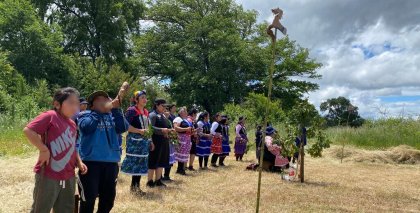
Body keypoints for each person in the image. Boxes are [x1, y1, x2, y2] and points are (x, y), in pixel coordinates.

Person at [23, 87, 88, 213]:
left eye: (77, 103)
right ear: (57, 104)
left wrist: (78, 162)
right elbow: (28, 130)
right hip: (48, 174)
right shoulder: (51, 116)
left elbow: (72, 145)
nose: (75, 107)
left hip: (68, 175)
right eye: (71, 103)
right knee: (41, 209)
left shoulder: (72, 123)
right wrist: (43, 149)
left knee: (66, 209)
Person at [77, 88, 129, 213]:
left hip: (111, 164)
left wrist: (115, 109)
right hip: (90, 163)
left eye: (105, 99)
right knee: (88, 199)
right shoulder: (84, 115)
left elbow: (123, 127)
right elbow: (87, 128)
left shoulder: (113, 116)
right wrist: (100, 112)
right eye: (98, 99)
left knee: (108, 199)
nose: (103, 101)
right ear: (92, 104)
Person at [121, 90, 152, 195]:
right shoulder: (131, 111)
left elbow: (148, 128)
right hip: (135, 142)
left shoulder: (146, 112)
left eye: (145, 97)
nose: (144, 99)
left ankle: (137, 187)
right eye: (142, 97)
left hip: (144, 142)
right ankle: (133, 188)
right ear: (136, 99)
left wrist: (150, 141)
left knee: (141, 163)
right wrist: (139, 131)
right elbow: (126, 126)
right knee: (136, 163)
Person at [147, 98, 174, 187]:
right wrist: (162, 130)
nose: (164, 108)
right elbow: (150, 128)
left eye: (165, 106)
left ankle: (158, 180)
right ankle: (150, 181)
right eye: (163, 106)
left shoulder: (163, 116)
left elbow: (166, 127)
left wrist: (169, 131)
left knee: (161, 161)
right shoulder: (152, 115)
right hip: (155, 142)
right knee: (153, 161)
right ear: (157, 105)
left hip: (164, 142)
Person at [173, 107, 193, 175]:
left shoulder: (184, 120)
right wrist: (186, 129)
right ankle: (180, 169)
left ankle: (181, 169)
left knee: (183, 154)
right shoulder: (178, 119)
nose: (186, 113)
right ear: (181, 112)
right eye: (185, 111)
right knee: (181, 154)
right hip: (181, 138)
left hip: (186, 138)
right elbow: (176, 128)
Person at [163, 107, 176, 181]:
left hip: (170, 142)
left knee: (170, 160)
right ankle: (160, 176)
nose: (167, 112)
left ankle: (167, 176)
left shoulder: (169, 121)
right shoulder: (161, 121)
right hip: (164, 142)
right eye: (165, 111)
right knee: (164, 159)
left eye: (167, 111)